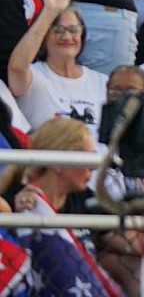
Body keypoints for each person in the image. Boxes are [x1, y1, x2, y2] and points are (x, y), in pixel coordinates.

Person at [0, 119, 121, 296]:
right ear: (57, 162)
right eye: (87, 157)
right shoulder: (16, 200)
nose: (94, 167)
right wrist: (12, 215)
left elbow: (123, 238)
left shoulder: (84, 197)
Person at [8, 0, 108, 130]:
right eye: (57, 30)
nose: (66, 37)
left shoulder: (102, 82)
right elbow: (16, 68)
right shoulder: (34, 77)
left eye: (73, 30)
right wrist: (49, 12)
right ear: (44, 36)